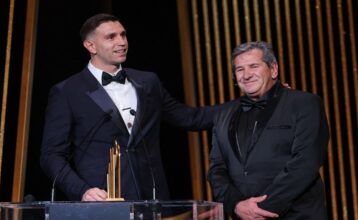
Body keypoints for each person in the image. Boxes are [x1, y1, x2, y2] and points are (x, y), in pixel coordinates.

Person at [40, 13, 218, 201]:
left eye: (123, 35)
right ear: (90, 46)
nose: (122, 42)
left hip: (153, 199)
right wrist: (83, 191)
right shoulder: (68, 91)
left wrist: (243, 103)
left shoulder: (148, 82)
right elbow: (51, 155)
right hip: (104, 202)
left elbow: (189, 118)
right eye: (111, 37)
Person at [207, 41, 329, 219]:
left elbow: (306, 162)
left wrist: (261, 209)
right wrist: (236, 205)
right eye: (240, 69)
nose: (246, 75)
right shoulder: (223, 115)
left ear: (273, 69)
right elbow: (216, 169)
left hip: (295, 215)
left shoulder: (304, 104)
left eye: (253, 66)